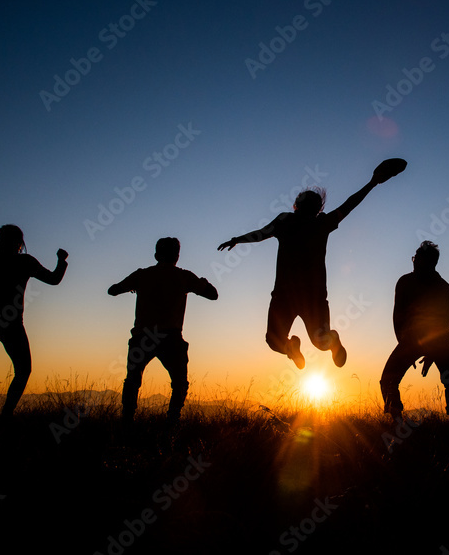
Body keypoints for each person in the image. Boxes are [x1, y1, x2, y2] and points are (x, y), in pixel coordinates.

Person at [218, 161, 403, 369]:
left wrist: (237, 239)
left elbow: (260, 234)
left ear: (297, 204)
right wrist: (372, 184)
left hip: (285, 296)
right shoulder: (320, 224)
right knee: (320, 342)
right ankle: (326, 342)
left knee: (273, 340)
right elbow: (349, 205)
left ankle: (292, 347)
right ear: (317, 208)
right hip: (311, 297)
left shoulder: (286, 221)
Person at [108, 237, 218, 424]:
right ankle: (172, 422)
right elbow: (213, 295)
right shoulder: (184, 276)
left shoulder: (142, 275)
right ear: (177, 256)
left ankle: (127, 423)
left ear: (157, 255)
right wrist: (202, 282)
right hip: (171, 338)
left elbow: (113, 290)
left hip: (143, 336)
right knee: (180, 384)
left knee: (132, 380)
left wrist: (133, 287)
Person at [0, 224, 68, 416]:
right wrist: (61, 261)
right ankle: (6, 413)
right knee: (23, 369)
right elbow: (53, 279)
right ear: (20, 242)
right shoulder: (25, 262)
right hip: (11, 324)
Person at [380, 241, 449, 422]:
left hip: (436, 341)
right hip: (416, 340)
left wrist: (430, 352)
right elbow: (398, 316)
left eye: (417, 259)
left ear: (430, 263)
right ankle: (397, 421)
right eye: (414, 259)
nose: (414, 262)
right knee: (388, 379)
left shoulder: (441, 287)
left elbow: (442, 323)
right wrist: (404, 345)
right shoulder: (407, 282)